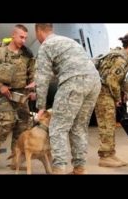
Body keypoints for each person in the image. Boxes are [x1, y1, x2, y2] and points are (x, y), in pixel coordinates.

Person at [34, 23, 101, 174]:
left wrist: (40, 107)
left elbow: (42, 77)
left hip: (74, 83)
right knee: (79, 127)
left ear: (38, 30)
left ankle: (59, 169)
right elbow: (70, 66)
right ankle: (79, 168)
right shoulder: (68, 41)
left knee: (58, 127)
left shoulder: (46, 45)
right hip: (94, 82)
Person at [0, 24, 36, 166]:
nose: (24, 40)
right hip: (2, 94)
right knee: (8, 119)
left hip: (20, 95)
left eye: (25, 38)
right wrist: (0, 86)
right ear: (13, 35)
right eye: (21, 37)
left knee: (24, 124)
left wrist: (32, 91)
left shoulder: (27, 55)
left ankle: (16, 157)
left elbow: (32, 75)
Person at [95, 32, 128, 167]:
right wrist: (116, 97)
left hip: (107, 92)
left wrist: (123, 92)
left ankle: (110, 154)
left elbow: (118, 80)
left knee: (110, 125)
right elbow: (111, 80)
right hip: (104, 93)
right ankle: (105, 157)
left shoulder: (125, 56)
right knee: (106, 125)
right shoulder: (121, 59)